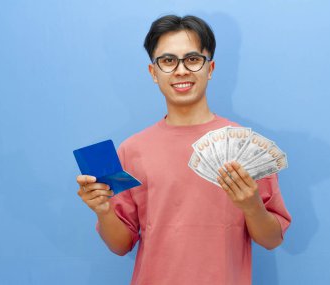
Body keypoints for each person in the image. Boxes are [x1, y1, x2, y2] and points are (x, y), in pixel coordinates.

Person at [76, 15, 291, 285]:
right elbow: (120, 245)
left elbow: (272, 240)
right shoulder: (132, 150)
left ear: (209, 68)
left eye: (192, 59)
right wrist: (103, 210)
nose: (181, 71)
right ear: (153, 73)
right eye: (168, 61)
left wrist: (252, 207)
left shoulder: (244, 146)